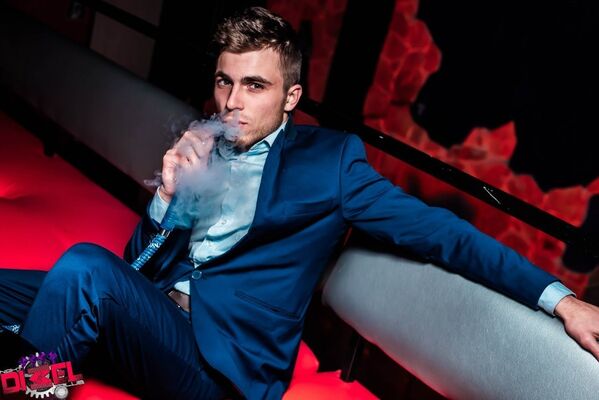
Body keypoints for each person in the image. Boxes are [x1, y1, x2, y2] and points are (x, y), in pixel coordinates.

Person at [1, 6, 599, 400]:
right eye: (224, 81)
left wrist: (562, 299)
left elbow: (446, 234)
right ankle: (31, 375)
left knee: (84, 268)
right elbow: (139, 265)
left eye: (254, 85)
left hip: (220, 368)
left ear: (290, 97)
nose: (232, 102)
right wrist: (165, 197)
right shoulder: (206, 143)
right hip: (153, 318)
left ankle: (28, 389)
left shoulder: (330, 164)